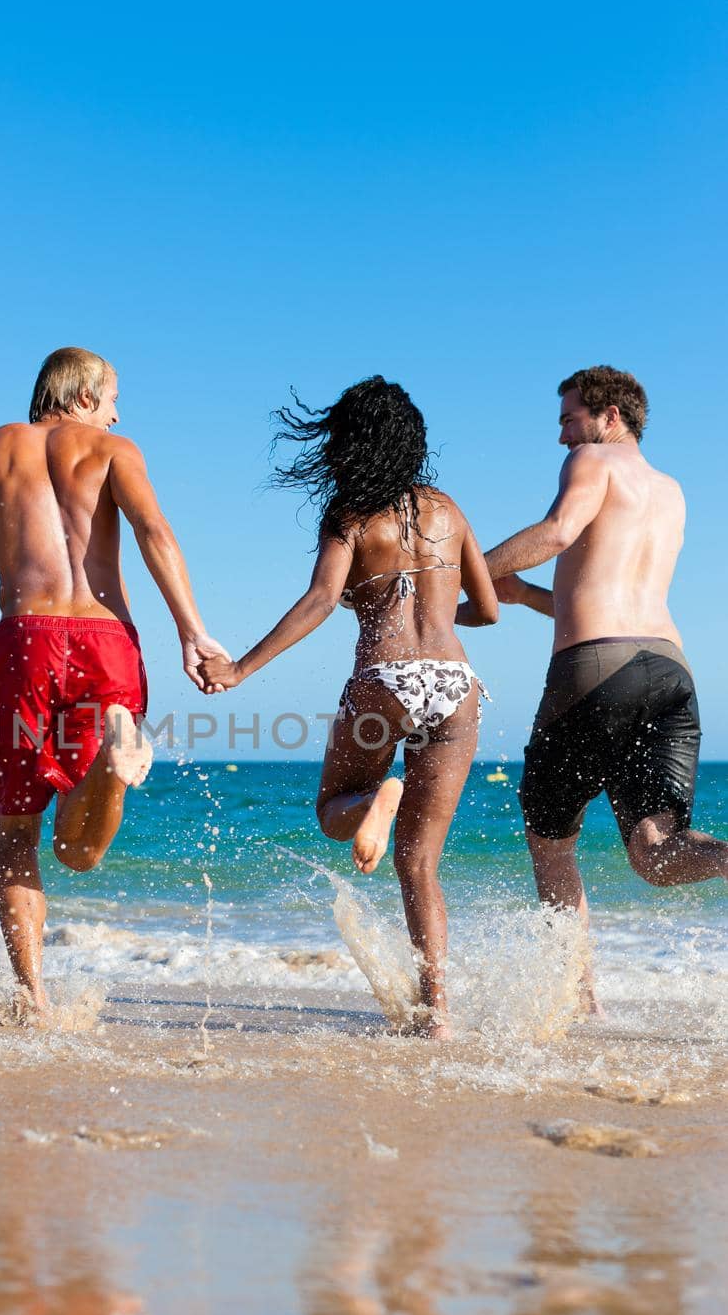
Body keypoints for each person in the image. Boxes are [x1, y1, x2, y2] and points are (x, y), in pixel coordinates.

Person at [0, 347, 227, 1026]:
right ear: (83, 395)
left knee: (18, 840)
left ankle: (32, 998)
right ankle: (111, 770)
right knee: (80, 855)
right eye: (114, 396)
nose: (117, 411)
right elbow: (154, 533)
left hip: (25, 641)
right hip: (104, 638)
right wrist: (192, 632)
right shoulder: (113, 448)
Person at [201, 376, 498, 1038]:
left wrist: (242, 668)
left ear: (348, 442)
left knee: (333, 813)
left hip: (383, 679)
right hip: (455, 683)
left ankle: (375, 801)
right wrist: (437, 613)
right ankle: (436, 1014)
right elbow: (486, 609)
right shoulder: (448, 508)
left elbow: (317, 600)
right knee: (419, 862)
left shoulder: (350, 513)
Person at [483, 365, 727, 1016]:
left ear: (609, 416)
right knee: (656, 854)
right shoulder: (671, 491)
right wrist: (518, 594)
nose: (563, 437)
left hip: (593, 671)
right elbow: (597, 594)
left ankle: (578, 998)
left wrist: (463, 568)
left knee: (549, 837)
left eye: (568, 419)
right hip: (668, 671)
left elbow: (556, 533)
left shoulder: (594, 459)